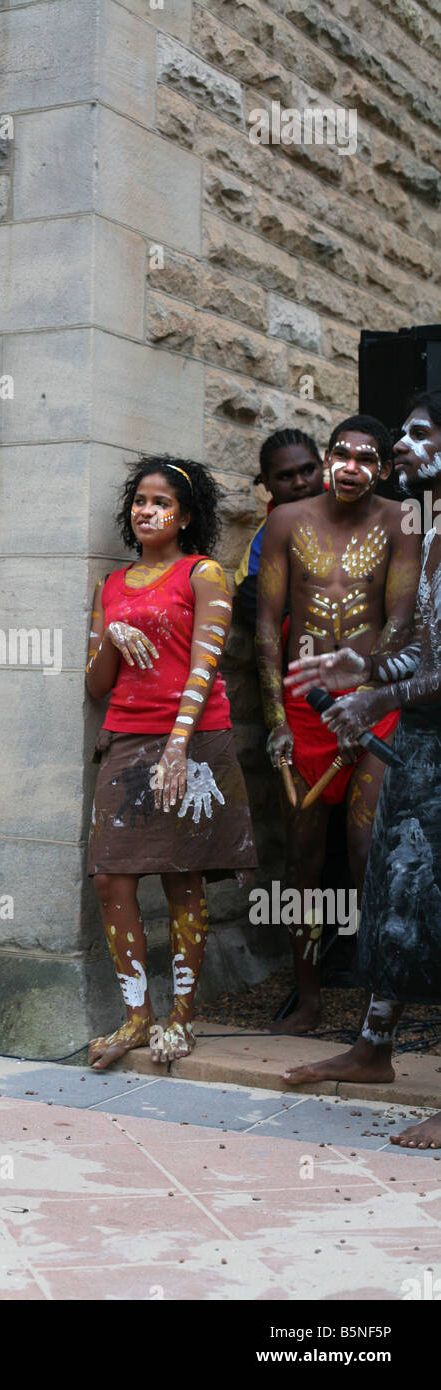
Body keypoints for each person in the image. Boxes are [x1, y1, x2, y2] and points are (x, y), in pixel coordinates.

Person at [281, 394, 441, 1150]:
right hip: (423, 744)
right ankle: (375, 1049)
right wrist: (361, 664)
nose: (400, 447)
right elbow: (425, 657)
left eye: (416, 434)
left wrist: (375, 693)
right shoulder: (434, 530)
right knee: (396, 892)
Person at [86, 456, 257, 1069]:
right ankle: (137, 1017)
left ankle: (182, 1020)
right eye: (139, 500)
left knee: (181, 876)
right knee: (111, 876)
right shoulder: (112, 585)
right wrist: (109, 639)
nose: (147, 510)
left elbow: (205, 667)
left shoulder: (203, 573)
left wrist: (179, 744)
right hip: (125, 738)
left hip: (193, 739)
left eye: (161, 503)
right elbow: (95, 686)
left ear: (185, 516)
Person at [256, 415, 421, 1034]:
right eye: (341, 455)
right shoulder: (285, 522)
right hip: (304, 707)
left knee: (365, 849)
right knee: (301, 857)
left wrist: (369, 705)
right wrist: (275, 719)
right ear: (328, 459)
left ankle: (379, 1011)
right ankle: (309, 998)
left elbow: (402, 622)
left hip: (375, 706)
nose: (351, 467)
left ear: (382, 468)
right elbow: (268, 627)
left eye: (367, 458)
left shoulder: (401, 521)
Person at [234, 429, 325, 631]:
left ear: (323, 466)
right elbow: (266, 620)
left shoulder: (365, 510)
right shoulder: (262, 549)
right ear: (266, 483)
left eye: (308, 470)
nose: (300, 483)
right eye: (286, 476)